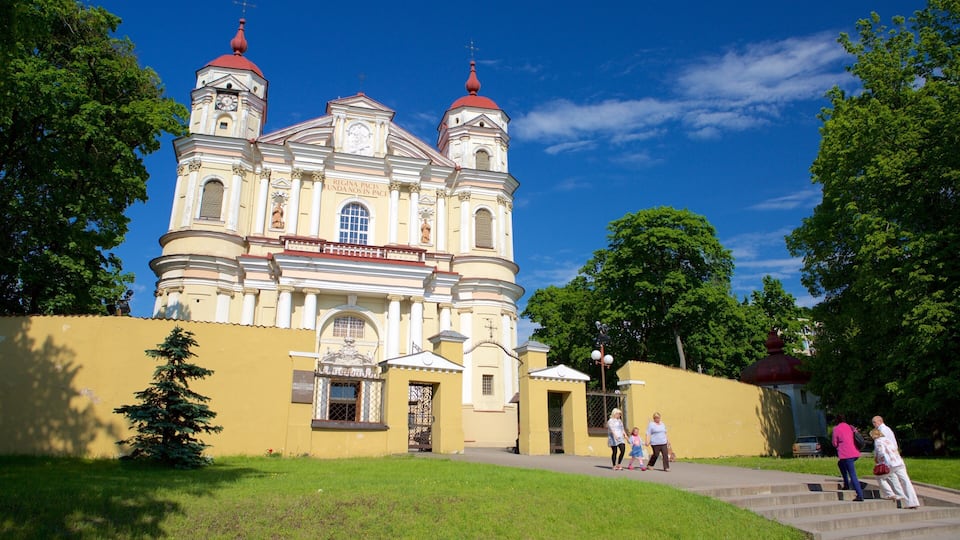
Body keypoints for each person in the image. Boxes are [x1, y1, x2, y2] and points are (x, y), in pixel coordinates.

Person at [871, 428, 919, 509]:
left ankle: (890, 494)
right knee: (906, 481)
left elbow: (881, 452)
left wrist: (878, 460)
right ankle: (912, 502)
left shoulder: (878, 441)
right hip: (899, 462)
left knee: (880, 478)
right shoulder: (887, 439)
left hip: (889, 464)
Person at [832, 414, 864, 501]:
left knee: (852, 474)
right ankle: (846, 484)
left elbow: (834, 443)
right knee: (840, 464)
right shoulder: (850, 427)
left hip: (846, 454)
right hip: (855, 452)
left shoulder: (836, 429)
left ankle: (860, 494)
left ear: (837, 420)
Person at [872, 415, 900, 499]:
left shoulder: (881, 431)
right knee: (892, 476)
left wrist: (877, 456)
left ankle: (890, 493)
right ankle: (898, 493)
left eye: (874, 422)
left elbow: (880, 446)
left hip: (886, 458)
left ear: (880, 421)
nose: (874, 424)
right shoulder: (887, 429)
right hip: (892, 456)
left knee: (881, 476)